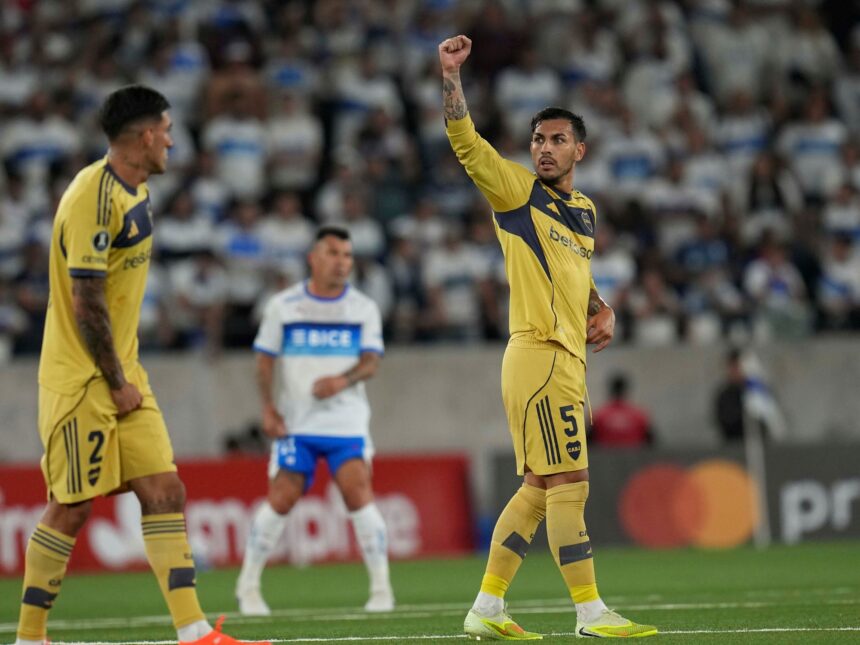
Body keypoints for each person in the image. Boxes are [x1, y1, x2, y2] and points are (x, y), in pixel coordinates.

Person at [15, 86, 265, 645]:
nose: (173, 142)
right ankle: (30, 638)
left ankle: (194, 631)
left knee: (165, 490)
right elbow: (86, 300)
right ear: (146, 135)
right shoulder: (92, 196)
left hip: (125, 374)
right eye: (167, 131)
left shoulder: (139, 192)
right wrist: (114, 380)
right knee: (71, 507)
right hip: (83, 381)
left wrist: (125, 377)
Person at [439, 36, 657, 640]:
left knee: (538, 487)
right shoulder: (517, 193)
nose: (544, 148)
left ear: (579, 150)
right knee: (570, 483)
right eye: (538, 139)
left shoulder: (584, 210)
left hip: (564, 360)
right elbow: (465, 142)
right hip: (538, 354)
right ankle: (590, 612)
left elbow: (575, 273)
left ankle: (487, 607)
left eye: (558, 139)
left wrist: (602, 306)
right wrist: (452, 77)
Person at [235, 226, 394, 616]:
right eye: (333, 253)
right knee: (282, 497)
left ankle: (381, 589)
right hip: (297, 422)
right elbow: (264, 361)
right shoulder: (284, 306)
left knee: (358, 493)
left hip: (346, 421)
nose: (342, 262)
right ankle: (248, 586)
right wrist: (268, 409)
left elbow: (371, 362)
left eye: (347, 255)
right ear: (313, 258)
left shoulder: (362, 307)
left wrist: (343, 380)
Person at [590, 373, 654, 447]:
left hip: (604, 453)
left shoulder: (599, 415)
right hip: (633, 453)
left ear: (611, 390)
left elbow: (588, 441)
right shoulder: (639, 416)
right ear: (626, 390)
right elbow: (651, 442)